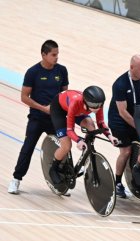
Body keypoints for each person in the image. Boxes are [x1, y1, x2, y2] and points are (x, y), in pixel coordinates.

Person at [8, 40, 69, 195]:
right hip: (37, 118)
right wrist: (43, 108)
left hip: (55, 118)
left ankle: (61, 183)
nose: (57, 57)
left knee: (64, 148)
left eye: (57, 54)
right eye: (53, 54)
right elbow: (24, 97)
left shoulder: (61, 71)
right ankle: (16, 179)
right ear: (43, 54)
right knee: (28, 148)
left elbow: (64, 95)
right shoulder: (33, 72)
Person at [49, 86, 118, 187]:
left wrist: (110, 136)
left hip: (79, 111)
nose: (97, 108)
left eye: (99, 105)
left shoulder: (97, 103)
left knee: (91, 127)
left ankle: (85, 154)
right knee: (66, 146)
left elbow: (101, 123)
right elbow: (69, 130)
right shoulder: (76, 102)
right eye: (94, 105)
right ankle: (53, 169)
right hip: (59, 109)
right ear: (86, 102)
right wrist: (78, 141)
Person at [108, 55, 140, 198]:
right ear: (132, 67)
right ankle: (118, 182)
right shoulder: (120, 84)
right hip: (119, 121)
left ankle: (138, 173)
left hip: (137, 119)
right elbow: (122, 112)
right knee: (126, 151)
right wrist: (139, 127)